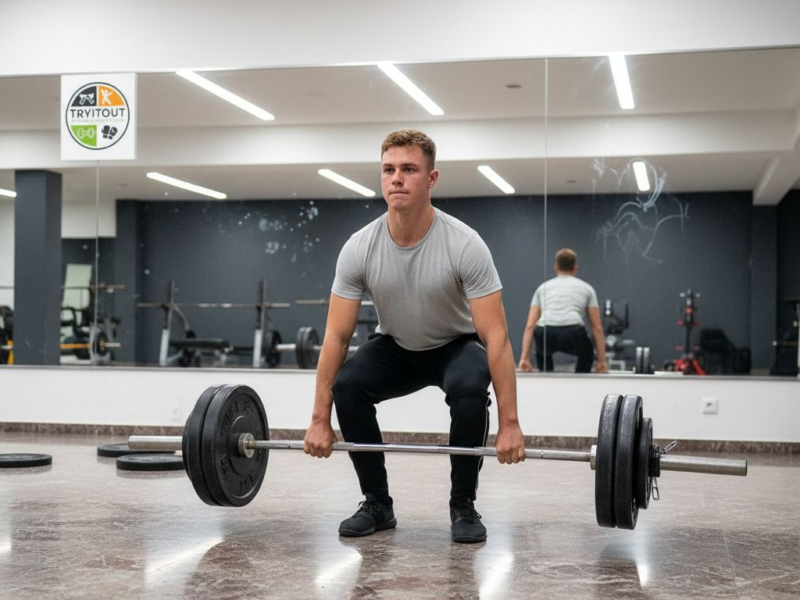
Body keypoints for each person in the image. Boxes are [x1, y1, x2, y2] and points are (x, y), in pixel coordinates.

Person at [303, 129, 526, 544]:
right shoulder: (359, 247)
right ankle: (377, 503)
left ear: (432, 178)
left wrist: (510, 424)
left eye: (408, 169)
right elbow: (335, 336)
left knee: (468, 388)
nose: (396, 179)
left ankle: (463, 505)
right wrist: (319, 418)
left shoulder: (464, 244)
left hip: (455, 346)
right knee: (348, 385)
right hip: (397, 346)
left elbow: (496, 338)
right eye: (388, 169)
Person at [518, 249, 608, 374]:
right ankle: (582, 382)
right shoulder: (587, 289)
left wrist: (524, 358)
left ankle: (546, 379)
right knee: (586, 354)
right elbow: (596, 327)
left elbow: (530, 326)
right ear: (575, 268)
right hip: (573, 333)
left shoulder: (542, 288)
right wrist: (602, 362)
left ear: (556, 268)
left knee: (542, 352)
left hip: (546, 332)